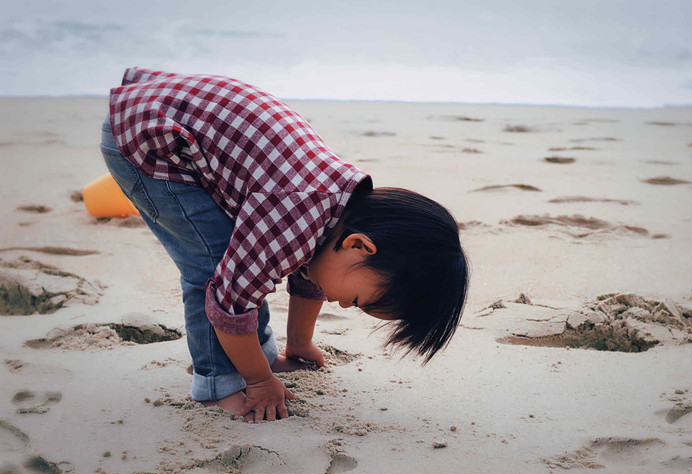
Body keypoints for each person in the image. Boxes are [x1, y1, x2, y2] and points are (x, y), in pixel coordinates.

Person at [100, 68, 469, 423]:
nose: (341, 304)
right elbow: (230, 301)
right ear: (359, 246)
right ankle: (215, 384)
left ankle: (259, 355)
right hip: (149, 137)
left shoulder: (338, 211)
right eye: (356, 301)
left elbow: (310, 276)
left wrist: (299, 343)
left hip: (193, 124)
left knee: (243, 259)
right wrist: (260, 382)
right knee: (213, 267)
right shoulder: (292, 218)